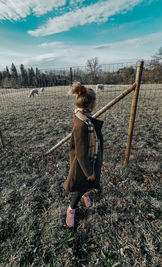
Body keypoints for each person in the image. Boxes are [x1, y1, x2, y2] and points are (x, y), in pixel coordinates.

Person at [64, 82, 104, 227]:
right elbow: (81, 155)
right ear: (91, 104)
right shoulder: (82, 124)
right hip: (82, 163)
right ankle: (71, 210)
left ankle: (85, 193)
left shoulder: (83, 117)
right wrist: (89, 172)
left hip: (87, 159)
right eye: (95, 101)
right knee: (82, 184)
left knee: (85, 185)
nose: (96, 104)